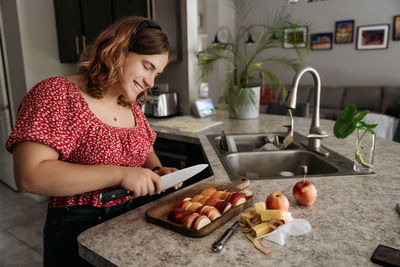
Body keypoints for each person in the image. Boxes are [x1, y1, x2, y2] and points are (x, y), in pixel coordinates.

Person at [5, 16, 179, 266]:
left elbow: (143, 150)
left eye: (157, 73)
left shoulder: (130, 103)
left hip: (135, 222)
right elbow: (29, 175)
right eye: (147, 66)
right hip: (79, 230)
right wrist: (120, 174)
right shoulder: (57, 93)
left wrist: (156, 171)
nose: (151, 82)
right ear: (119, 50)